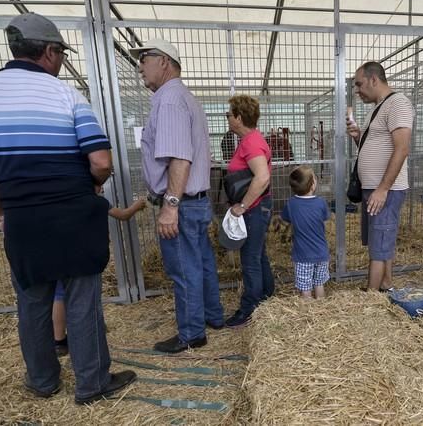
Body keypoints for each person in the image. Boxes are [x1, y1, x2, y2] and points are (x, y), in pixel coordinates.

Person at [0, 12, 135, 404]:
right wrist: (92, 186)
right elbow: (102, 161)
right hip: (73, 215)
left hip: (23, 219)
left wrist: (4, 212)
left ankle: (43, 381)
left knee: (32, 301)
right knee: (81, 299)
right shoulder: (66, 95)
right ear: (50, 51)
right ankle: (92, 384)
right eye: (60, 53)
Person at [130, 38, 224, 352]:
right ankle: (212, 315)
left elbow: (179, 158)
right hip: (195, 201)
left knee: (184, 269)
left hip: (181, 204)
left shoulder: (169, 100)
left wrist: (170, 206)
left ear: (165, 62)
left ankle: (192, 333)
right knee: (202, 262)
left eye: (144, 58)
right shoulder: (184, 97)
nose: (139, 65)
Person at [346, 61, 413, 292]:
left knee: (379, 244)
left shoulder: (398, 103)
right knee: (380, 240)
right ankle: (386, 284)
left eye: (359, 84)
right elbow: (376, 145)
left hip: (386, 189)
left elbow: (402, 148)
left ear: (374, 79)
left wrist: (383, 188)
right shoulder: (379, 106)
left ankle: (371, 296)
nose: (357, 90)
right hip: (375, 188)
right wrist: (358, 137)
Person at [53, 197, 147, 356]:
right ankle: (86, 332)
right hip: (82, 254)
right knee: (81, 293)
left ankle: (59, 341)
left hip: (57, 250)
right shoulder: (96, 201)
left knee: (59, 294)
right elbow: (123, 215)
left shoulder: (61, 197)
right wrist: (138, 205)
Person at [224, 94, 274, 328]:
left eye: (229, 114)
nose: (227, 118)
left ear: (239, 118)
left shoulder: (252, 142)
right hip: (256, 208)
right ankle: (266, 299)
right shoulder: (249, 140)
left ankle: (249, 309)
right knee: (258, 256)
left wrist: (242, 206)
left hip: (254, 209)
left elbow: (262, 177)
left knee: (250, 260)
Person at [281, 166, 330, 299]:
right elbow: (324, 222)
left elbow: (285, 220)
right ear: (313, 185)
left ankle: (307, 315)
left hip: (303, 255)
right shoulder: (321, 203)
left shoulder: (291, 204)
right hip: (322, 253)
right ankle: (321, 311)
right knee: (319, 284)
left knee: (305, 288)